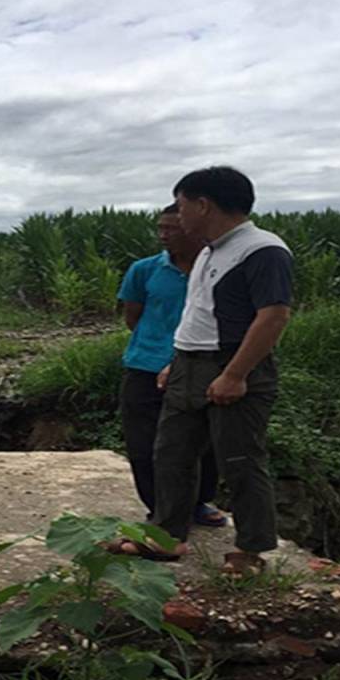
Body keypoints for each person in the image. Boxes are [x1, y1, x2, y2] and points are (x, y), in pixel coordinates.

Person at [149, 166, 292, 574]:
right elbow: (201, 314)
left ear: (203, 204)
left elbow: (274, 316)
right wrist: (176, 362)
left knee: (241, 460)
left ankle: (251, 551)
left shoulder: (262, 250)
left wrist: (235, 374)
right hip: (189, 364)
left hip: (232, 364)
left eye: (181, 206)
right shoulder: (211, 250)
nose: (179, 216)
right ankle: (167, 537)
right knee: (171, 453)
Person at [117, 204, 226, 529]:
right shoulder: (145, 270)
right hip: (145, 366)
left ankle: (198, 503)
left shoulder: (217, 270)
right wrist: (157, 348)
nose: (163, 235)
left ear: (194, 228)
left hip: (199, 366)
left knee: (201, 443)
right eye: (160, 228)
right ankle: (159, 509)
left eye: (172, 228)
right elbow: (132, 316)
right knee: (143, 444)